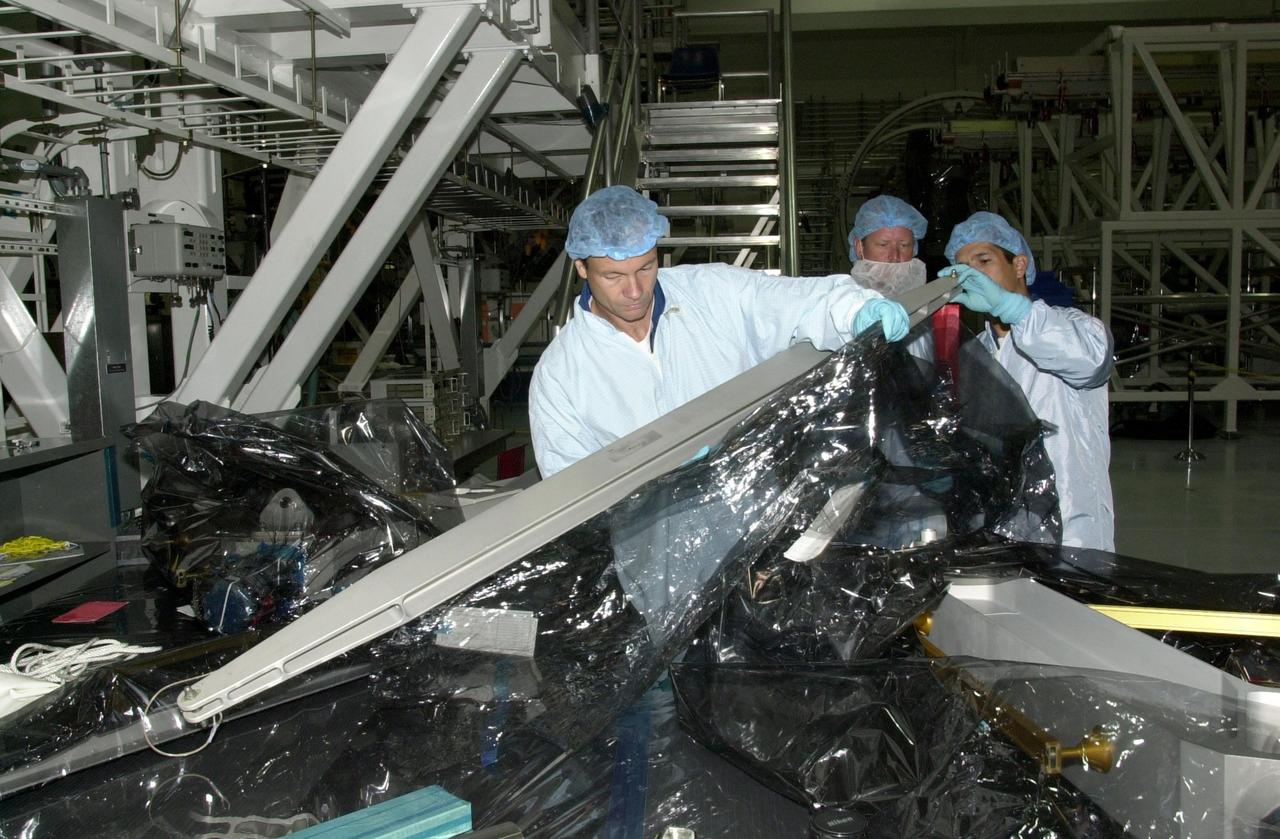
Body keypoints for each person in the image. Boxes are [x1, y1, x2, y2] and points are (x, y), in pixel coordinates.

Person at [529, 185, 912, 478]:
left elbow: (800, 300)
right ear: (581, 268)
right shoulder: (561, 372)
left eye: (645, 268)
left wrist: (856, 310)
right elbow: (569, 485)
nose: (634, 291)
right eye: (613, 276)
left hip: (755, 508)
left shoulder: (714, 292)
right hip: (650, 551)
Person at [940, 211, 1114, 551]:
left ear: (1019, 265)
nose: (974, 275)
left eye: (984, 260)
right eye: (964, 267)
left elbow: (1089, 363)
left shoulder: (1076, 328)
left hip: (1072, 527)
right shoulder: (975, 354)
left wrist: (1014, 310)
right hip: (1000, 527)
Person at [846, 194, 929, 296]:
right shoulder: (842, 301)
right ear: (859, 247)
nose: (894, 257)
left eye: (904, 245)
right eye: (883, 245)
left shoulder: (927, 300)